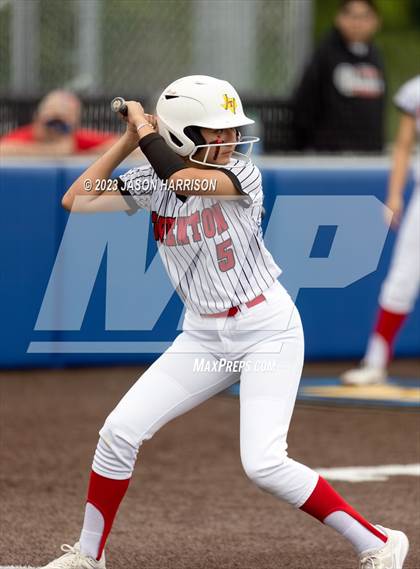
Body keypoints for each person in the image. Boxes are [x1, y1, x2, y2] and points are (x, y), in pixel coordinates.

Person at [39, 76, 408, 569]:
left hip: (266, 329)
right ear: (180, 134)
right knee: (118, 432)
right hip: (204, 335)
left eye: (231, 129)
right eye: (215, 131)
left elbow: (181, 181)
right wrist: (130, 138)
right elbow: (77, 198)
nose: (230, 139)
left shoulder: (242, 174)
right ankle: (89, 555)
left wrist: (148, 132)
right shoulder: (151, 180)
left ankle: (380, 542)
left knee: (264, 464)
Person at [341, 75, 420, 385]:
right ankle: (375, 361)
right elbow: (402, 146)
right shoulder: (415, 89)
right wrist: (395, 194)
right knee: (402, 277)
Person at [293, 0, 385, 152]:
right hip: (329, 156)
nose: (357, 23)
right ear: (339, 18)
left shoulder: (375, 56)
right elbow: (305, 103)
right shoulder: (325, 55)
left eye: (364, 17)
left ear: (375, 22)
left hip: (368, 154)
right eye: (352, 16)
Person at [0, 90, 117, 156]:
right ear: (37, 118)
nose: (54, 130)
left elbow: (128, 147)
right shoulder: (26, 136)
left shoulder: (76, 139)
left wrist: (78, 155)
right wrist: (51, 151)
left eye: (61, 125)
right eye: (51, 123)